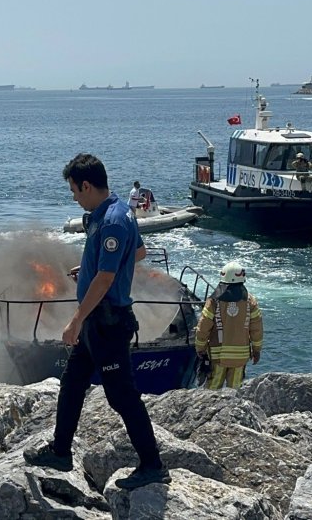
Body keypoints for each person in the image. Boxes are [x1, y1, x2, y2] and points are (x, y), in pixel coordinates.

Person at [24, 153, 170, 489]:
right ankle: (61, 452)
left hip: (107, 322)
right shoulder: (112, 212)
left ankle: (153, 465)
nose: (74, 197)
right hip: (97, 322)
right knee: (72, 381)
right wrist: (88, 269)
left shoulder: (114, 221)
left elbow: (106, 280)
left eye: (74, 190)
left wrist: (75, 320)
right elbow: (138, 253)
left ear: (87, 185)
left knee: (122, 396)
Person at [195, 261, 263, 389]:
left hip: (217, 356)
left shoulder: (214, 301)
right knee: (235, 392)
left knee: (212, 390)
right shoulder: (250, 301)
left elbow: (203, 327)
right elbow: (256, 329)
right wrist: (256, 350)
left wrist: (200, 347)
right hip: (240, 357)